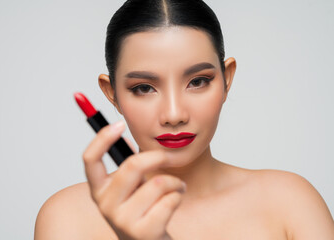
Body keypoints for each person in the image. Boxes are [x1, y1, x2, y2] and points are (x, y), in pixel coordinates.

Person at [34, 0, 334, 239]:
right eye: (143, 88)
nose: (174, 115)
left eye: (198, 81)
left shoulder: (290, 201)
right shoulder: (67, 216)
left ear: (227, 79)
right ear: (111, 94)